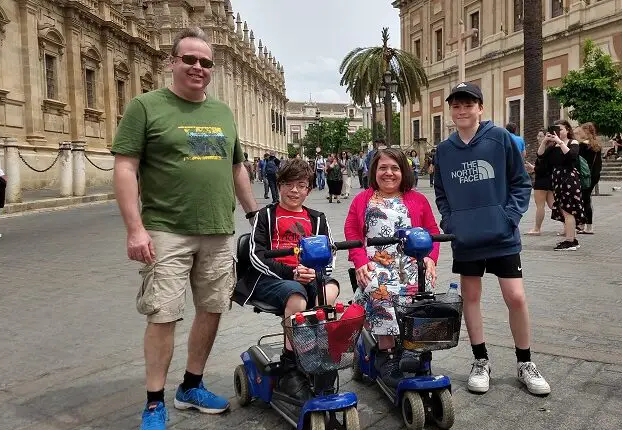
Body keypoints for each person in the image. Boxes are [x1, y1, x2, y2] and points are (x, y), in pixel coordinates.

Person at [111, 26, 258, 430]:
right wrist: (134, 228)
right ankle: (154, 401)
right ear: (171, 62)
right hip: (166, 230)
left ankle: (191, 386)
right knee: (163, 314)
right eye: (189, 59)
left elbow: (236, 170)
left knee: (212, 309)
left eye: (205, 62)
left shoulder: (224, 113)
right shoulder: (145, 107)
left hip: (217, 230)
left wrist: (254, 215)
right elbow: (125, 168)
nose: (198, 67)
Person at [433, 81, 550, 395]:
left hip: (502, 236)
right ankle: (480, 360)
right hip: (467, 239)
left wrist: (508, 218)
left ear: (480, 108)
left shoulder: (500, 139)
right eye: (456, 105)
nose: (462, 111)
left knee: (516, 297)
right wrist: (450, 220)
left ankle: (525, 362)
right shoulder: (444, 151)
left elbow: (520, 182)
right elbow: (441, 192)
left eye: (468, 105)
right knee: (470, 298)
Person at [234, 159, 339, 402]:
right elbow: (255, 255)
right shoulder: (265, 216)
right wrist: (290, 273)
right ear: (279, 186)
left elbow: (329, 251)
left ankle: (317, 352)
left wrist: (317, 271)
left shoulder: (317, 218)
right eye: (288, 184)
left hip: (308, 275)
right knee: (296, 296)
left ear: (308, 190)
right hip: (273, 277)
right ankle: (291, 366)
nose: (294, 190)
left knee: (330, 289)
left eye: (301, 185)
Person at [344, 147, 441, 386]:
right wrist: (360, 262)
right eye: (383, 168)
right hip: (375, 262)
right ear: (374, 171)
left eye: (395, 168)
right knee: (380, 288)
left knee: (423, 288)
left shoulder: (417, 199)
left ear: (404, 171)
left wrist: (430, 258)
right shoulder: (362, 199)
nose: (389, 173)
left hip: (411, 260)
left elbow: (432, 231)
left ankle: (413, 348)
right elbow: (352, 232)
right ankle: (386, 354)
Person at [548, 120, 584, 250]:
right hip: (558, 180)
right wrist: (546, 142)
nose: (558, 132)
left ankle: (570, 240)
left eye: (561, 129)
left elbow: (571, 156)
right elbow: (543, 157)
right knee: (564, 210)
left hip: (569, 179)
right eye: (556, 130)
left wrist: (559, 142)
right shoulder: (554, 146)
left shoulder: (572, 143)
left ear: (568, 130)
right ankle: (571, 239)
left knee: (569, 210)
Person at [527, 130, 555, 236]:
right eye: (538, 135)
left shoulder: (545, 151)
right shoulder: (549, 150)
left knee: (540, 205)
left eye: (541, 136)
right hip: (548, 180)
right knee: (553, 205)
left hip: (542, 180)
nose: (538, 137)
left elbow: (543, 168)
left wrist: (533, 168)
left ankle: (537, 228)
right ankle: (567, 224)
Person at [576, 122, 603, 235]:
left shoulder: (583, 146)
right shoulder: (596, 145)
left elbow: (578, 162)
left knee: (584, 200)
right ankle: (583, 224)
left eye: (581, 132)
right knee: (586, 199)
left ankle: (589, 227)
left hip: (585, 176)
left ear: (586, 132)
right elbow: (599, 164)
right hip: (594, 176)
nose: (579, 134)